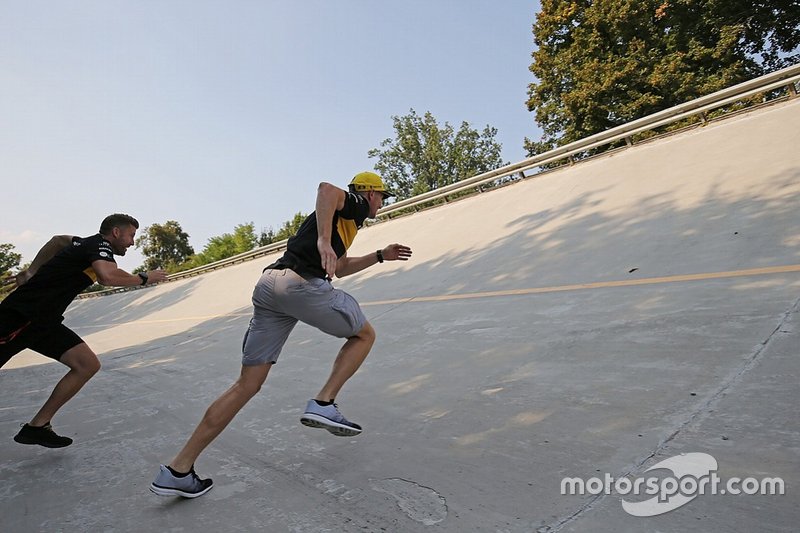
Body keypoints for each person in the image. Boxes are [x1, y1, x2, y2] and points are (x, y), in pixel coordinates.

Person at [150, 172, 412, 498]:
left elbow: (340, 267)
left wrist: (378, 256)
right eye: (381, 196)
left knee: (246, 385)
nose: (382, 203)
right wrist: (322, 241)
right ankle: (324, 402)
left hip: (270, 286)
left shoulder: (343, 224)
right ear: (370, 193)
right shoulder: (355, 204)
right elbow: (326, 189)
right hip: (300, 286)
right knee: (364, 335)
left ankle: (178, 468)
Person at [1, 214, 168, 447]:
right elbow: (107, 277)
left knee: (87, 364)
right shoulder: (99, 245)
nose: (132, 243)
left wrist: (31, 271)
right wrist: (143, 278)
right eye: (131, 236)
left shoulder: (83, 244)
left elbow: (58, 240)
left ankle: (37, 427)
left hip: (44, 322)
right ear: (116, 233)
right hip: (19, 317)